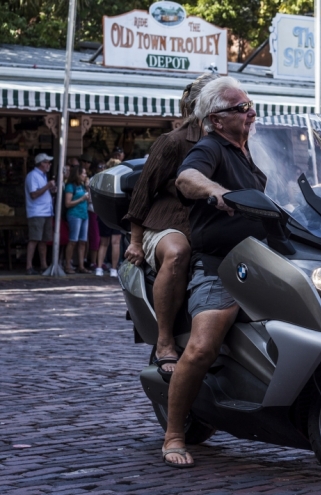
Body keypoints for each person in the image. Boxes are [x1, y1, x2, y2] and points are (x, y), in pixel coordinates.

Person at [165, 76, 266, 468]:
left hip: (263, 260)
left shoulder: (251, 152)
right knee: (203, 346)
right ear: (217, 119)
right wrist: (215, 192)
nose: (250, 111)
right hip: (222, 265)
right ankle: (174, 433)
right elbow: (186, 178)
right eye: (241, 107)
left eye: (250, 104)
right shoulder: (210, 149)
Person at [123, 72, 219, 375]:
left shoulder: (233, 143)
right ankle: (165, 341)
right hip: (168, 222)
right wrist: (135, 241)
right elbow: (142, 192)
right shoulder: (173, 141)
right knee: (178, 253)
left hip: (211, 224)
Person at [24, 153, 56, 275]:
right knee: (34, 239)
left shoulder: (42, 176)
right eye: (47, 162)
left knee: (44, 240)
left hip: (46, 211)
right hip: (36, 212)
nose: (49, 164)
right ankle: (29, 266)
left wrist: (51, 189)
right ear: (41, 163)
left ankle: (43, 265)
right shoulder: (33, 176)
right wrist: (47, 186)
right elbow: (33, 194)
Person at [95, 159, 123, 277]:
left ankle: (99, 268)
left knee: (103, 243)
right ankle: (113, 269)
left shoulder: (102, 179)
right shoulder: (121, 178)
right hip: (117, 212)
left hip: (104, 212)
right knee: (115, 243)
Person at [63, 164, 91, 274]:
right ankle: (68, 265)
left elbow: (89, 200)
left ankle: (81, 265)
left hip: (84, 215)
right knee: (73, 241)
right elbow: (68, 203)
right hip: (74, 215)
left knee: (83, 242)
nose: (85, 175)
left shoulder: (83, 186)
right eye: (83, 173)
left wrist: (88, 188)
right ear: (77, 174)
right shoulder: (70, 186)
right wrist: (81, 198)